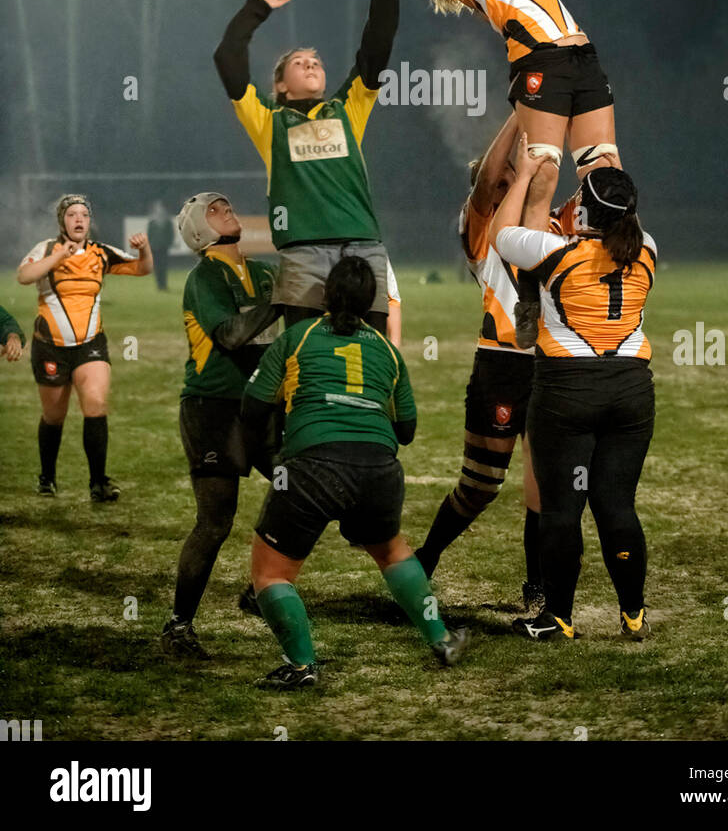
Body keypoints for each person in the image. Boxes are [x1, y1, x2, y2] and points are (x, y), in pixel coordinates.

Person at [316, 0, 620, 346]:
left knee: (606, 172)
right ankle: (529, 295)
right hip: (542, 63)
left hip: (583, 57)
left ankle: (617, 267)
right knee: (541, 172)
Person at [243, 256, 468, 689]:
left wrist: (273, 458)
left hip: (313, 465)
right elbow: (406, 431)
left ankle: (302, 666)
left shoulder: (298, 337)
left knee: (271, 575)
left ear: (325, 295)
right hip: (378, 469)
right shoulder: (386, 349)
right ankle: (440, 638)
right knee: (391, 552)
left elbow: (253, 408)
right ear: (373, 304)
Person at [489, 138, 657, 643]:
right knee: (617, 505)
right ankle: (633, 614)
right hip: (630, 389)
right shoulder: (647, 247)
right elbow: (620, 212)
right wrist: (610, 168)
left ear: (584, 208)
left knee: (562, 509)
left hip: (566, 390)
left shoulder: (553, 249)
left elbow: (502, 235)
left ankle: (557, 617)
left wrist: (524, 176)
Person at [213, 0, 401, 335]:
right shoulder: (268, 120)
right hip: (303, 252)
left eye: (315, 61)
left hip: (363, 246)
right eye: (300, 62)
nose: (312, 65)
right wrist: (256, 8)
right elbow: (227, 56)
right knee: (304, 352)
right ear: (279, 84)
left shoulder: (348, 107)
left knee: (370, 351)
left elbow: (376, 47)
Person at [414, 113, 543, 613]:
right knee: (481, 486)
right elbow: (491, 177)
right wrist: (520, 114)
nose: (512, 185)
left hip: (549, 365)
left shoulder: (543, 224)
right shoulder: (481, 230)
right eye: (504, 184)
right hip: (501, 365)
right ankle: (425, 558)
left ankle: (537, 585)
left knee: (543, 479)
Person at [160, 193, 284, 659]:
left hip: (261, 406)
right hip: (212, 409)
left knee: (301, 487)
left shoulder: (265, 271)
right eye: (214, 210)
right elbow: (231, 335)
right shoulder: (204, 276)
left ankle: (260, 588)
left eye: (228, 205)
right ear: (199, 231)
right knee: (215, 522)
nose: (227, 208)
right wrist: (280, 300)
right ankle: (178, 625)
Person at [16, 194, 152, 500]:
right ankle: (47, 477)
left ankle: (98, 483)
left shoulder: (100, 253)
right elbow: (24, 276)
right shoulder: (46, 249)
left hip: (90, 345)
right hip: (50, 347)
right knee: (54, 415)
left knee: (95, 404)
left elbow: (143, 269)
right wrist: (57, 257)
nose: (79, 219)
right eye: (72, 214)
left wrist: (144, 249)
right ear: (62, 221)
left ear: (89, 221)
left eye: (84, 215)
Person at [147, 201, 175, 291]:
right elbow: (149, 235)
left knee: (163, 266)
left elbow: (171, 234)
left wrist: (169, 243)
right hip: (154, 247)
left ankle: (164, 285)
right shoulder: (152, 222)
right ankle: (159, 285)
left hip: (164, 247)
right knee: (157, 266)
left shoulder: (167, 222)